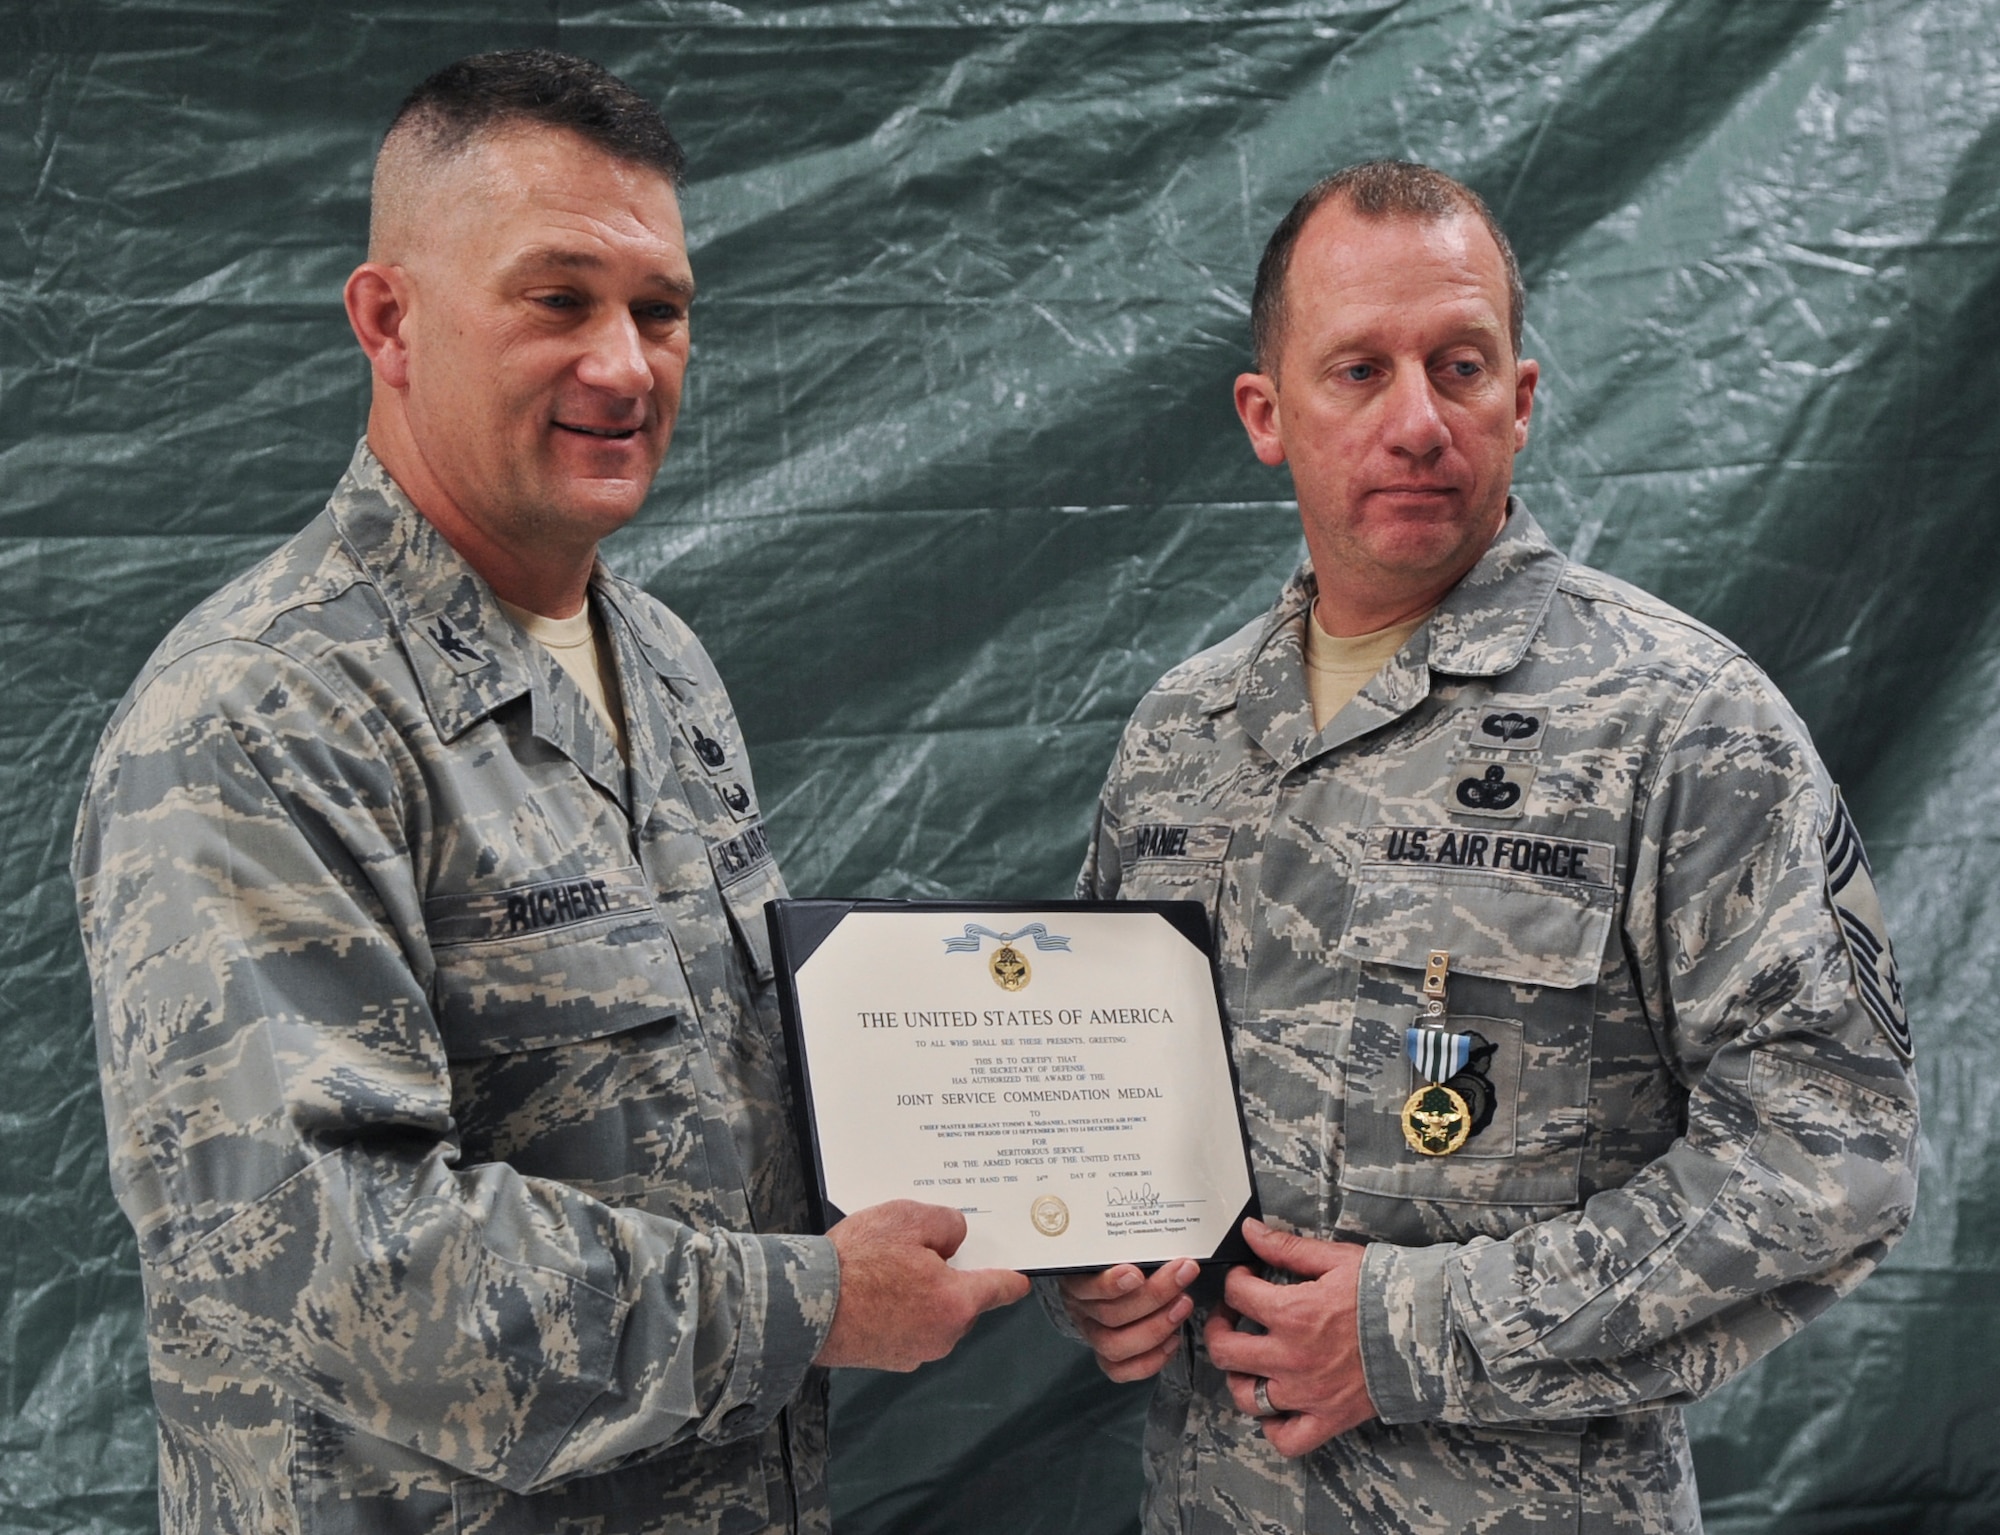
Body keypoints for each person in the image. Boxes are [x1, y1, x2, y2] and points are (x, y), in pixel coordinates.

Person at [70, 49, 1027, 1535]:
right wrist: (818, 1303)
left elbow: (732, 1107)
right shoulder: (260, 718)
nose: (627, 366)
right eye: (558, 300)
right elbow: (336, 1270)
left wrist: (1051, 1202)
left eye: (662, 311)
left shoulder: (661, 664)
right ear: (388, 320)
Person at [1053, 161, 1919, 1534]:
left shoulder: (1684, 723)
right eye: (1357, 371)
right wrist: (1093, 1271)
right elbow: (1100, 1106)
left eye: (1458, 366)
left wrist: (1410, 1329)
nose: (1416, 421)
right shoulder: (1181, 737)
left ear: (1518, 401)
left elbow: (1833, 1159)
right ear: (1266, 416)